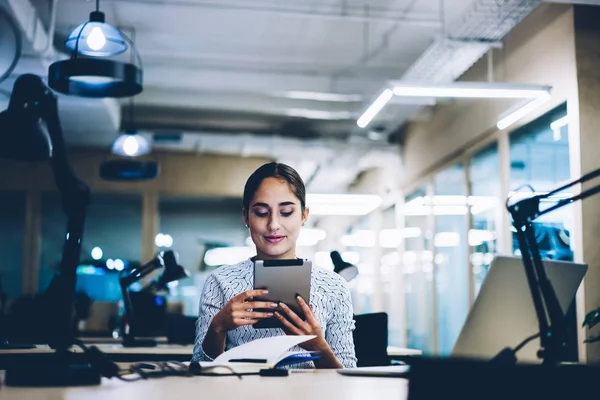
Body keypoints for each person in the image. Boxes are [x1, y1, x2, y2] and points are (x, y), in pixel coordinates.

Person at [192, 162, 357, 369]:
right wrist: (217, 328)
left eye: (286, 212)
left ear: (304, 216)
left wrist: (319, 347)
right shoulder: (220, 281)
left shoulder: (334, 286)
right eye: (261, 213)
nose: (273, 225)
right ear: (246, 217)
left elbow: (348, 375)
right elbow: (199, 369)